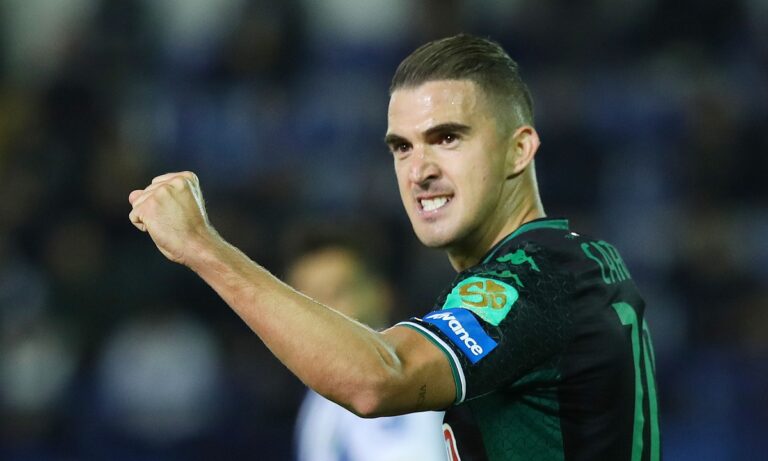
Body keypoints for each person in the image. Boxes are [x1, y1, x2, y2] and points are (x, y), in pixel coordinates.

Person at [128, 34, 661, 460]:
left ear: (519, 149)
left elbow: (379, 380)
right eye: (402, 147)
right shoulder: (573, 261)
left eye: (448, 138)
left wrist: (203, 247)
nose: (419, 170)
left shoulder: (536, 274)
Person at [285, 231, 446, 461]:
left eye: (337, 293)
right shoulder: (318, 403)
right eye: (307, 301)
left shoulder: (399, 375)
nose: (321, 311)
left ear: (381, 293)